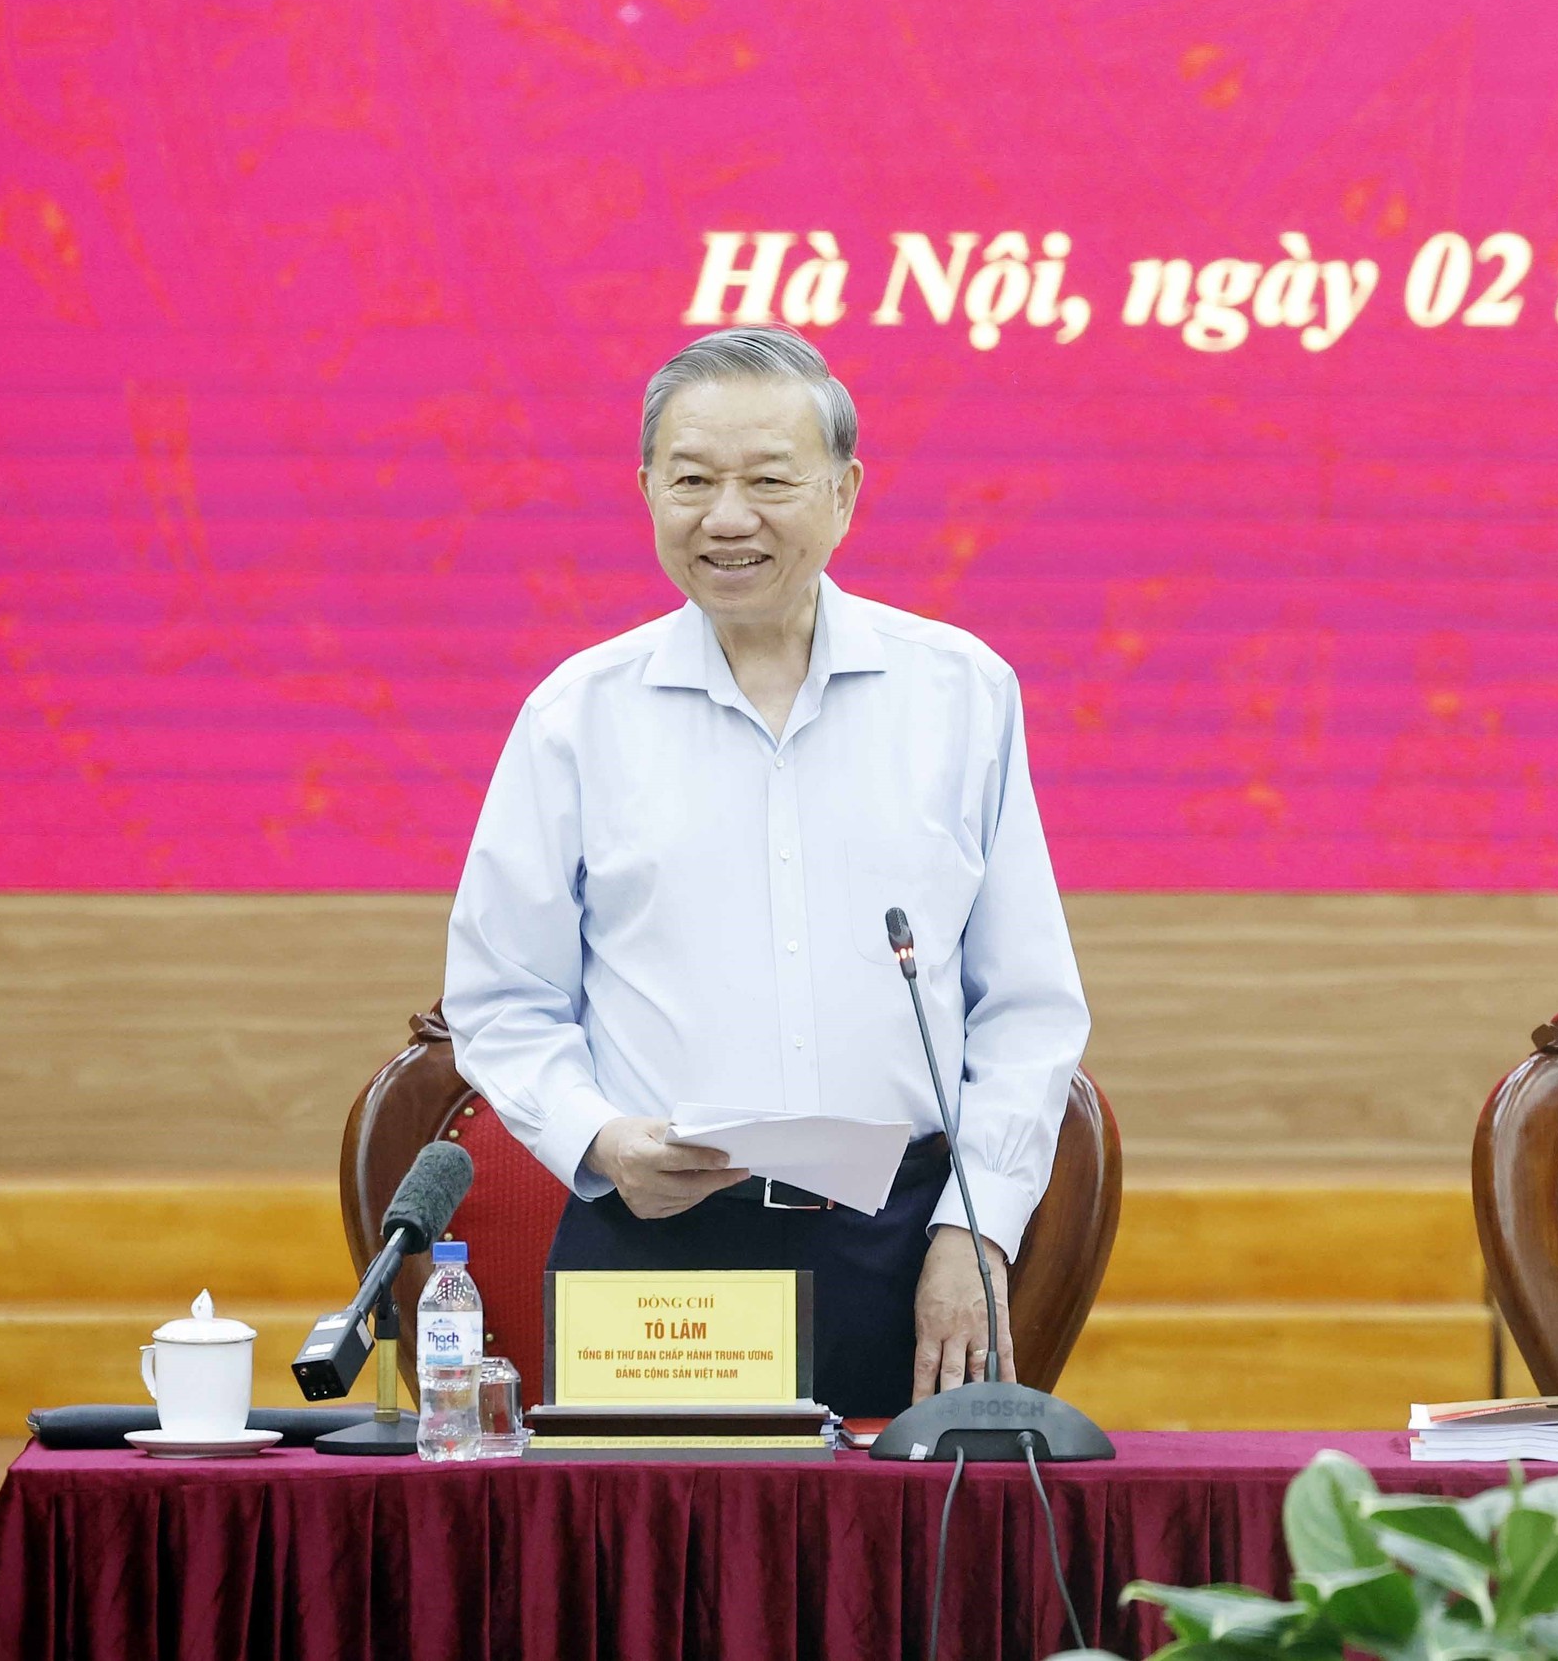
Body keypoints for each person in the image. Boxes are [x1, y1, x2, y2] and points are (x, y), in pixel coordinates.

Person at [443, 325, 1089, 1416]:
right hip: (657, 1250)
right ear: (647, 491)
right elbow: (501, 997)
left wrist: (974, 1227)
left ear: (844, 493)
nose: (727, 516)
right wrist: (599, 1137)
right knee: (647, 1535)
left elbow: (1026, 1010)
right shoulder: (576, 716)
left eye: (770, 481)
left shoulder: (960, 695)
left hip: (903, 1247)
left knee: (901, 1533)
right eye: (692, 480)